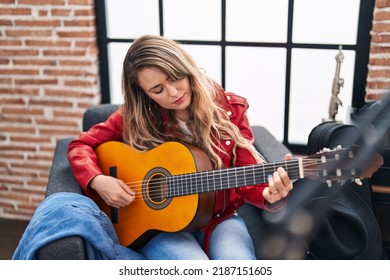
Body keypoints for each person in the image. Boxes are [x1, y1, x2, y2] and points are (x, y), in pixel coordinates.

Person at [67, 34, 293, 260]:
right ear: (143, 94)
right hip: (160, 227)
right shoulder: (135, 117)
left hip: (218, 219)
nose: (173, 93)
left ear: (186, 68)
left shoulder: (230, 110)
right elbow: (80, 145)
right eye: (158, 90)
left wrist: (271, 194)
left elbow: (247, 176)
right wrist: (98, 181)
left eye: (175, 77)